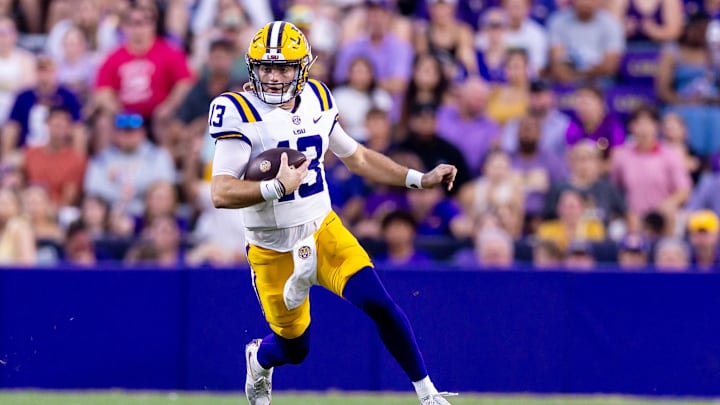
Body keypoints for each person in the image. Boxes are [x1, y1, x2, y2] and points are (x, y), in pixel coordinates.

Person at [208, 22, 458, 405]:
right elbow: (221, 191)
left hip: (321, 228)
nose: (274, 78)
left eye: (284, 68)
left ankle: (428, 394)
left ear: (304, 68)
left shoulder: (317, 99)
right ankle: (258, 358)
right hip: (271, 248)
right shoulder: (237, 110)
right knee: (295, 350)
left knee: (379, 303)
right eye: (267, 68)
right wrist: (275, 187)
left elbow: (355, 156)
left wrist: (418, 179)